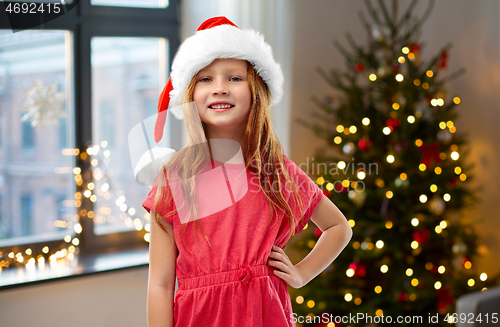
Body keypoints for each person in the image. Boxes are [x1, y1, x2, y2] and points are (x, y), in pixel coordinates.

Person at [142, 16, 353, 327]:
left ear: (257, 91)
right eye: (205, 79)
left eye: (234, 78)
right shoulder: (174, 180)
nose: (220, 89)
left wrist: (302, 273)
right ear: (190, 96)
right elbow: (159, 285)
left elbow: (339, 228)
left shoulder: (277, 170)